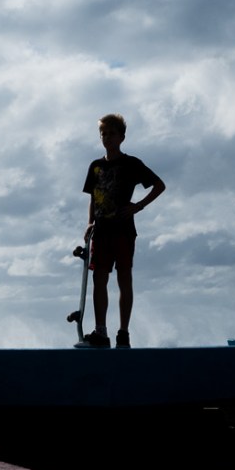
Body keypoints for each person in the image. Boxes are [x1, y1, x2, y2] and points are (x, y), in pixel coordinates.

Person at [76, 113, 165, 349]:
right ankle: (101, 332)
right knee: (99, 279)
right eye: (103, 134)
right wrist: (90, 222)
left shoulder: (131, 163)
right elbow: (93, 198)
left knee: (124, 278)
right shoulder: (95, 166)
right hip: (101, 231)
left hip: (123, 230)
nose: (107, 137)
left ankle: (123, 333)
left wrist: (138, 206)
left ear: (122, 137)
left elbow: (159, 185)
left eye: (112, 133)